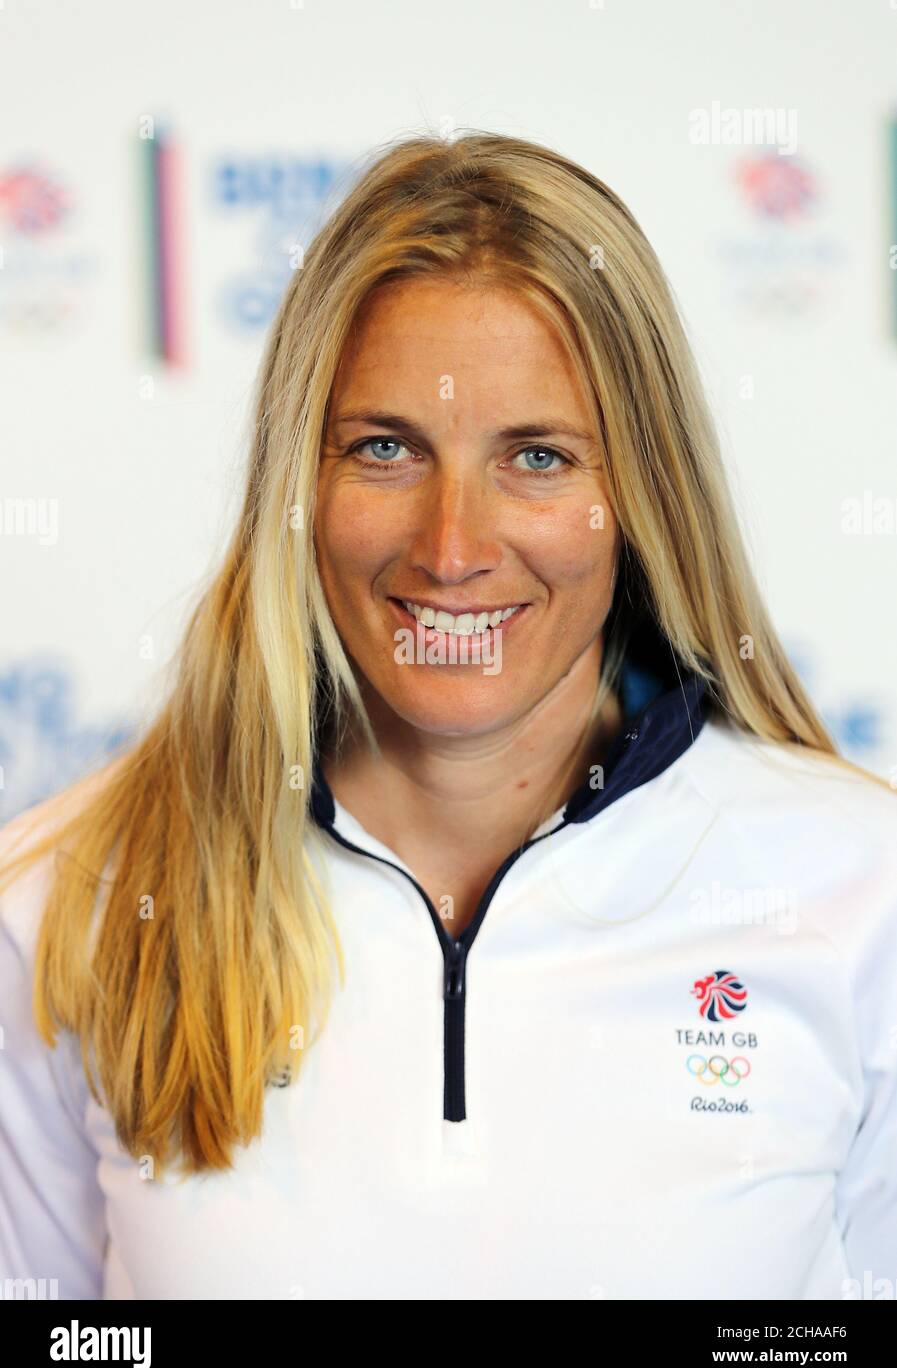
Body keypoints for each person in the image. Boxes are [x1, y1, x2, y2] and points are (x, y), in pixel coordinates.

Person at [0, 130, 895, 1301]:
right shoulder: (68, 898)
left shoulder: (858, 890)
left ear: (638, 494)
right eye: (385, 449)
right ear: (298, 488)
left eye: (536, 455)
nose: (454, 547)